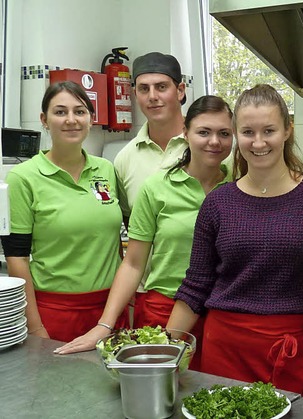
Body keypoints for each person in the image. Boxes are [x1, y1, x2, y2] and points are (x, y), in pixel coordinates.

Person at [166, 84, 303, 395]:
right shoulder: (218, 203)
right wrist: (165, 350)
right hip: (226, 348)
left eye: (269, 130)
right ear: (236, 134)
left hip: (297, 346)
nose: (258, 142)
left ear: (288, 130)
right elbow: (196, 285)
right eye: (248, 132)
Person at [53, 95, 234, 368]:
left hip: (223, 314)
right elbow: (134, 263)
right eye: (203, 132)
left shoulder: (240, 187)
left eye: (224, 133)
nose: (214, 141)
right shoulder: (157, 187)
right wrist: (105, 324)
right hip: (165, 310)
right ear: (185, 133)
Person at [0, 81, 127, 342]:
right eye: (60, 112)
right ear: (44, 120)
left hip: (110, 311)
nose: (71, 120)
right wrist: (35, 328)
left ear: (91, 119)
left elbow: (115, 242)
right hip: (55, 312)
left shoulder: (106, 170)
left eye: (80, 112)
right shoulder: (24, 178)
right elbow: (17, 259)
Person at [114, 52, 188, 220]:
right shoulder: (125, 159)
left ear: (180, 91)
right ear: (135, 94)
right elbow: (130, 221)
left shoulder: (207, 146)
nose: (152, 97)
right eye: (144, 89)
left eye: (161, 87)